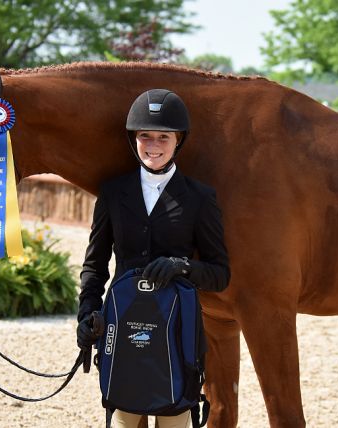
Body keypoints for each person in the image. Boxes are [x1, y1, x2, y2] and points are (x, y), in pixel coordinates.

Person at [76, 89, 231, 428]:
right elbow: (95, 264)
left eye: (164, 137)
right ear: (135, 139)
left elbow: (220, 274)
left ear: (179, 141)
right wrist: (87, 312)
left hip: (176, 335)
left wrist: (182, 267)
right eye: (145, 135)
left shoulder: (200, 198)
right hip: (124, 327)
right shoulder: (114, 193)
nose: (154, 145)